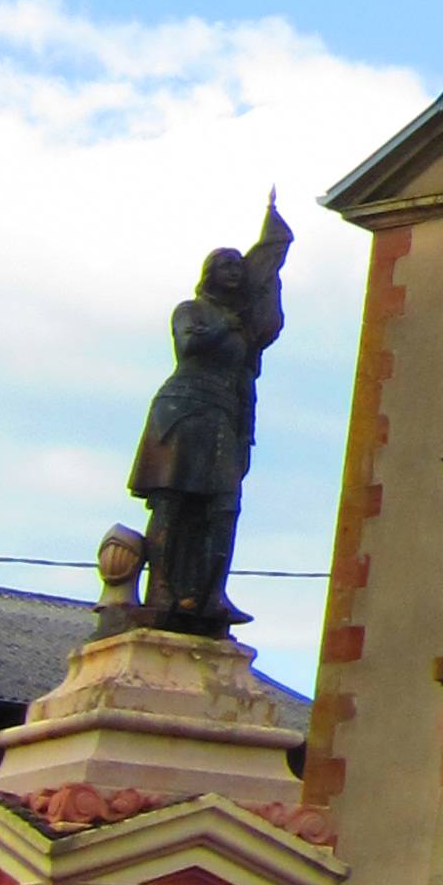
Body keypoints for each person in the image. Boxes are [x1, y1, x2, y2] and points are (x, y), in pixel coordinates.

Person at [127, 195, 291, 637]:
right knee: (173, 502)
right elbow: (189, 344)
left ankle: (211, 592)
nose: (235, 271)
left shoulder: (244, 323)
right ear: (210, 274)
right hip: (181, 411)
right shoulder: (192, 310)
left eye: (239, 266)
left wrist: (269, 282)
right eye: (226, 265)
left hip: (223, 416)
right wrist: (226, 325)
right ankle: (161, 590)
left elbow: (265, 335)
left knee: (223, 507)